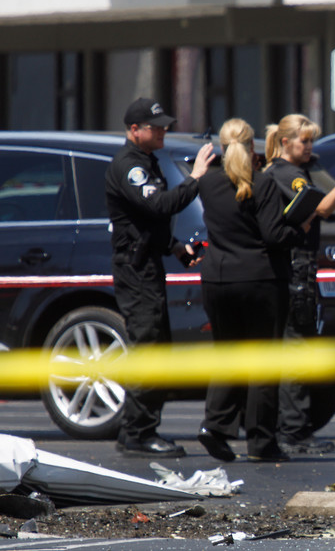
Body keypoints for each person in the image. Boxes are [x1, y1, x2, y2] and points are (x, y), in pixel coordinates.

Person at [106, 97, 215, 457]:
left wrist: (176, 247)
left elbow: (150, 223)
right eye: (156, 127)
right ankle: (138, 434)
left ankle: (139, 429)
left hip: (147, 265)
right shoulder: (129, 166)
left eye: (164, 125)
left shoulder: (146, 161)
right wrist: (196, 177)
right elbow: (158, 205)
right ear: (134, 130)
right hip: (135, 270)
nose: (163, 131)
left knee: (158, 348)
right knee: (148, 349)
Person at [196, 118, 305, 462]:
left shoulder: (209, 183)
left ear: (221, 146)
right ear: (253, 146)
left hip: (217, 279)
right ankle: (261, 441)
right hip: (260, 280)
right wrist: (299, 229)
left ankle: (215, 427)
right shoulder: (263, 183)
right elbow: (274, 236)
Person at [263, 114, 335, 454]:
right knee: (295, 352)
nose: (309, 147)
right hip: (294, 271)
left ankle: (291, 426)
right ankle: (293, 431)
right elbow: (321, 207)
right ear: (285, 142)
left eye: (311, 141)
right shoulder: (286, 174)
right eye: (304, 141)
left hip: (299, 270)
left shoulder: (295, 171)